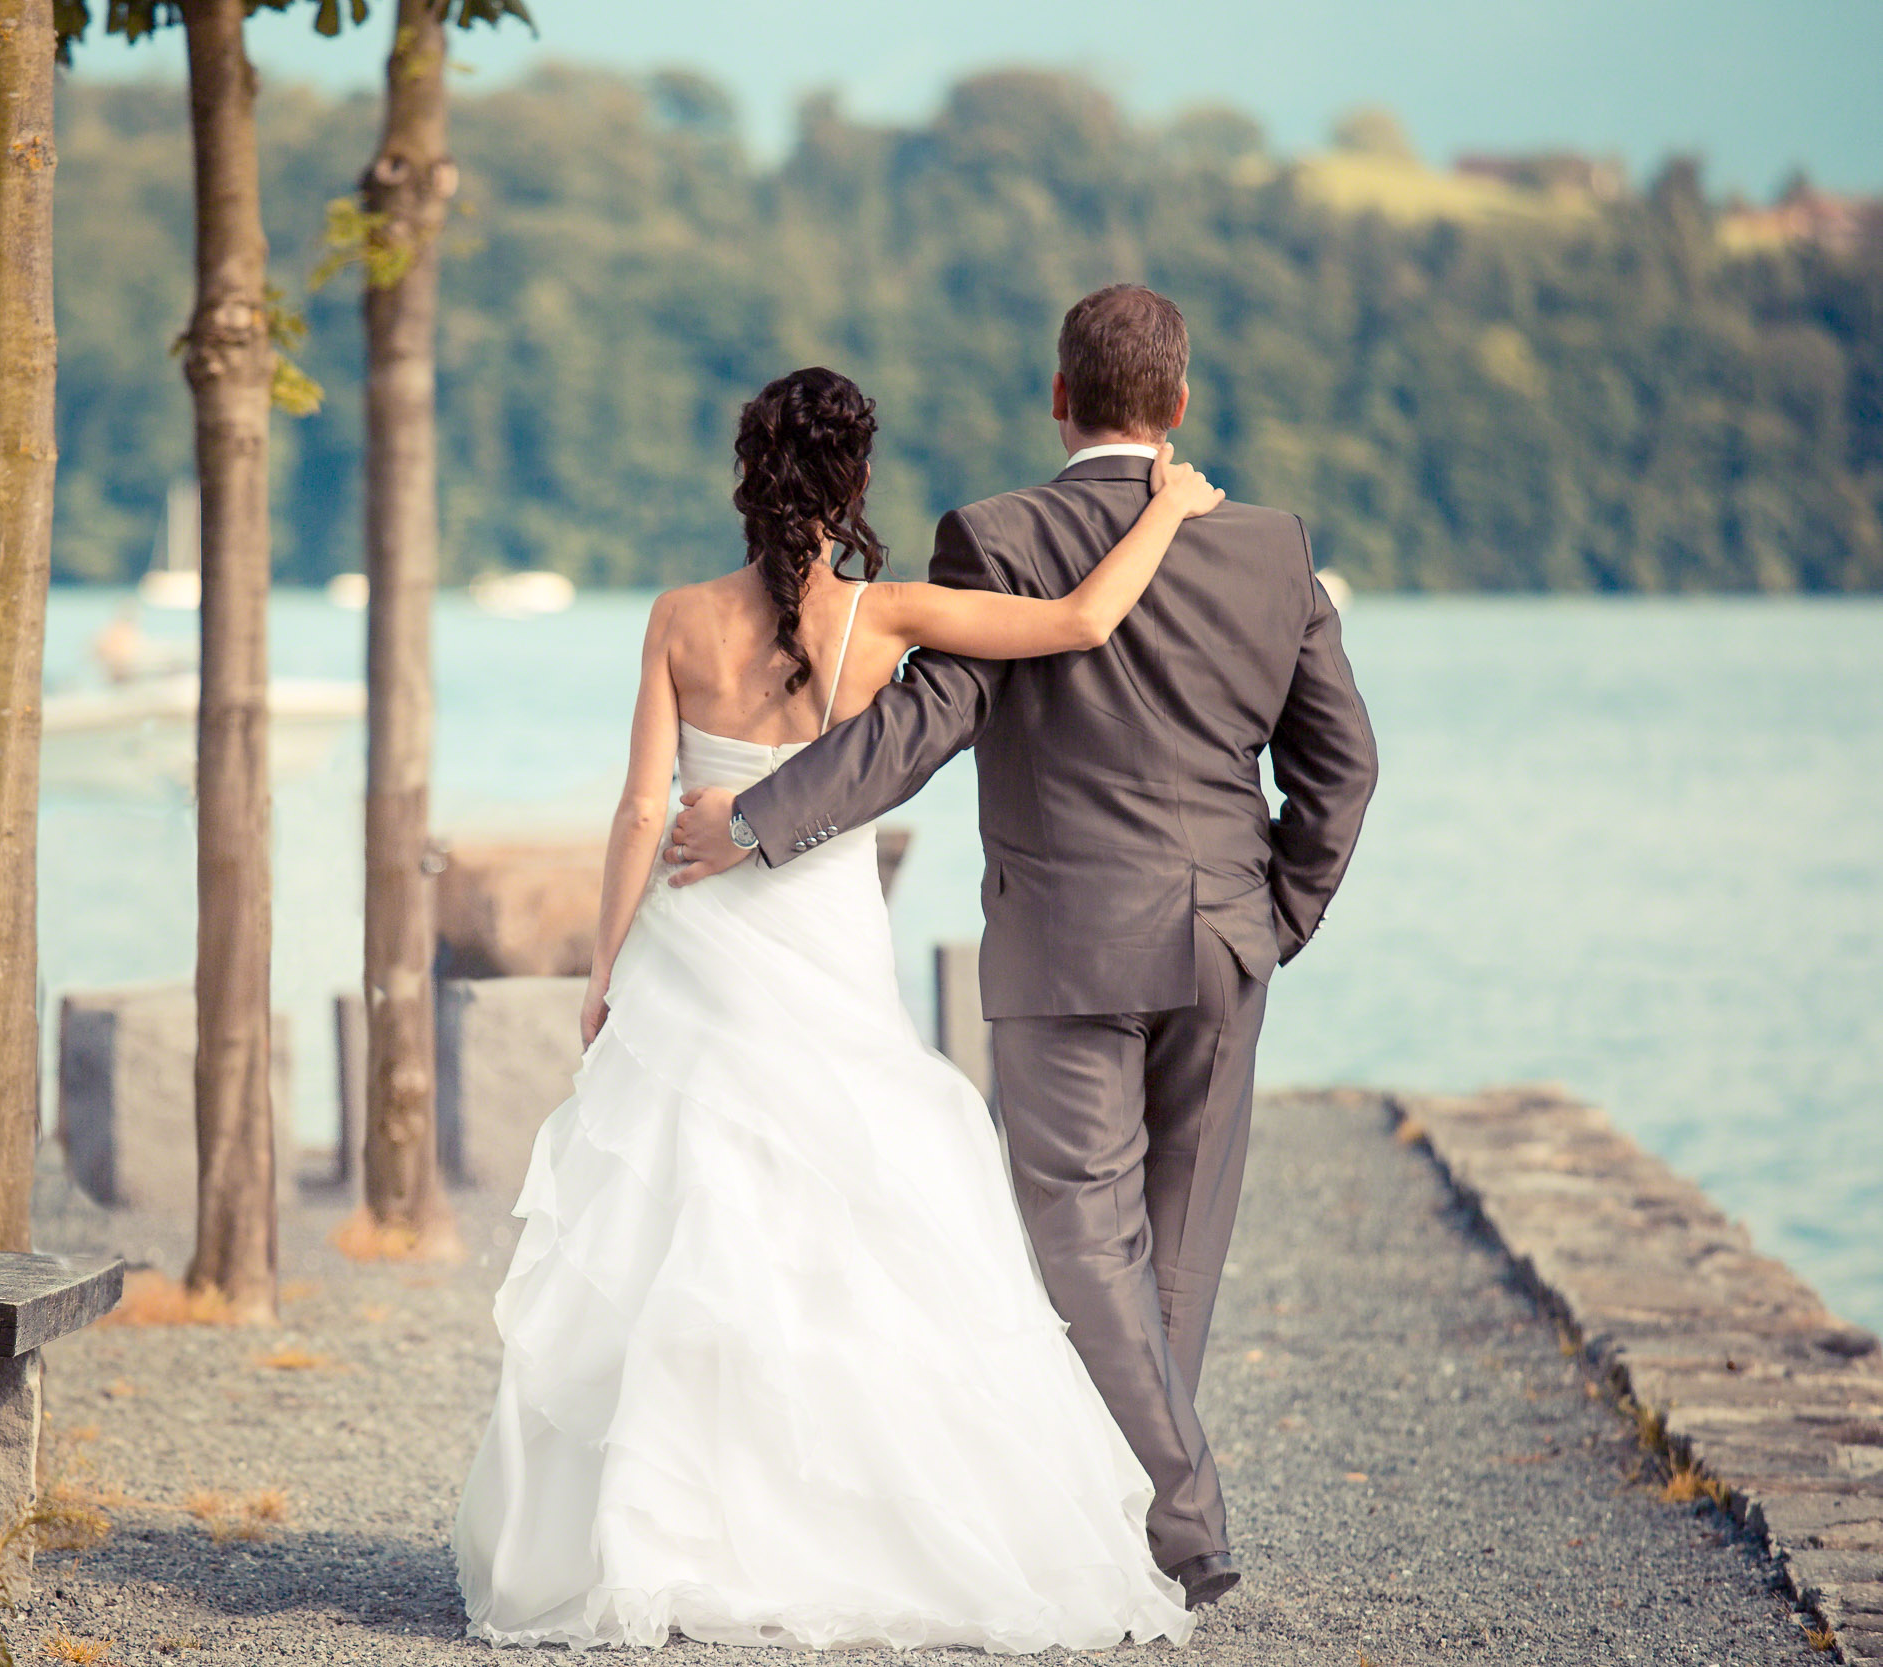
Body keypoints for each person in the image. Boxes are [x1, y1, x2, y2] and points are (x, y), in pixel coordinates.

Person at [450, 364, 1226, 1652]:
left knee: (686, 1219)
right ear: (854, 483)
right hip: (824, 942)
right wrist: (1165, 507)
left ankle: (668, 1530)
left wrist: (600, 967)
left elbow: (644, 811)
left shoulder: (679, 617)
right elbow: (1084, 624)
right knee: (852, 1211)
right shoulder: (889, 614)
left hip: (693, 950)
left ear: (747, 482)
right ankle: (851, 1529)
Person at [671, 285, 1381, 1609]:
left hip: (1064, 946)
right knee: (1172, 1247)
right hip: (1226, 938)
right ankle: (1153, 1525)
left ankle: (1171, 1518)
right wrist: (1280, 915)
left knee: (1080, 1243)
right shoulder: (1274, 547)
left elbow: (922, 727)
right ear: (1177, 406)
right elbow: (1343, 765)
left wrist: (759, 820)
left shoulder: (997, 534)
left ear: (1058, 400)